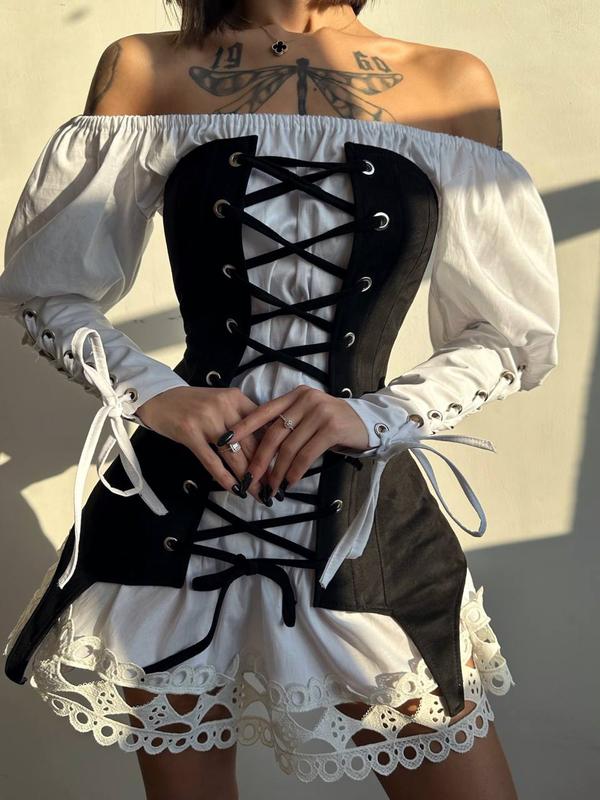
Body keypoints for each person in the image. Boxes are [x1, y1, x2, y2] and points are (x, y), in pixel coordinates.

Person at [0, 1, 559, 798]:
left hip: (358, 516)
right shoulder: (147, 68)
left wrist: (372, 415)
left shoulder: (449, 82)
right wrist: (153, 392)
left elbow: (504, 332)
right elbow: (49, 289)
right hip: (177, 519)